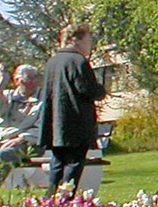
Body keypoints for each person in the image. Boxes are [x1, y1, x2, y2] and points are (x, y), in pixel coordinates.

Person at [39, 25, 108, 195]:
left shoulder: (53, 62)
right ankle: (64, 202)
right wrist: (101, 90)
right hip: (75, 123)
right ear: (76, 40)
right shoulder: (78, 61)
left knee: (57, 164)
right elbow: (88, 89)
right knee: (73, 164)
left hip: (55, 123)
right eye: (88, 41)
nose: (89, 45)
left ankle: (49, 202)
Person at [0, 63, 44, 190]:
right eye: (29, 78)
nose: (34, 82)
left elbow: (44, 127)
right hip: (1, 137)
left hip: (29, 143)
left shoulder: (45, 100)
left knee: (4, 154)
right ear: (16, 80)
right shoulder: (8, 96)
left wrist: (21, 139)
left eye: (36, 78)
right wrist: (2, 82)